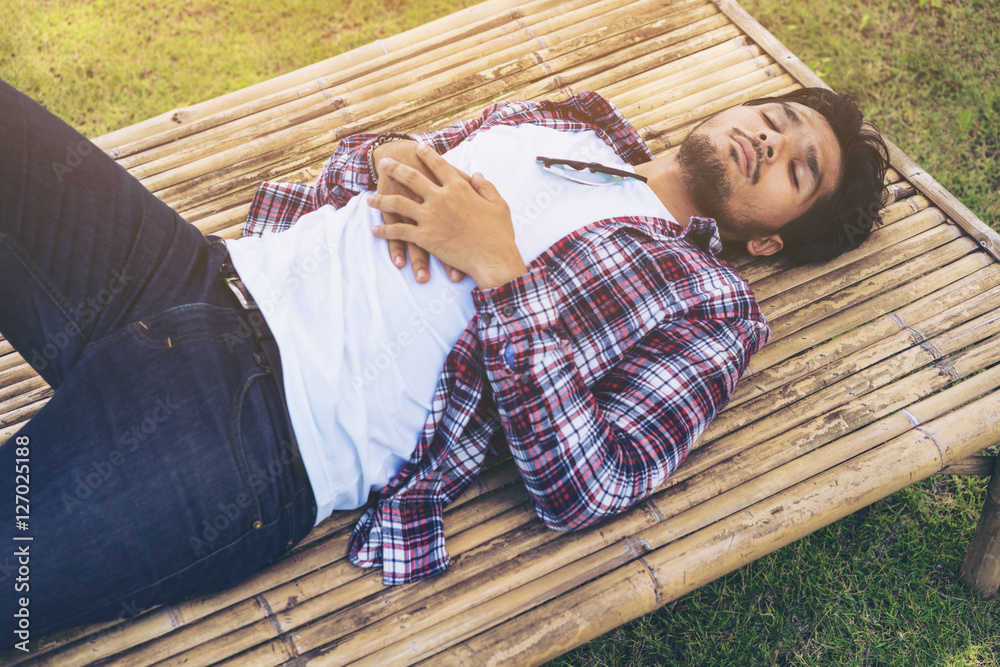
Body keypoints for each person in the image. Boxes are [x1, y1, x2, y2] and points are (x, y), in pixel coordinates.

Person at [0, 78, 888, 641]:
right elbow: (372, 165)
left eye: (797, 169)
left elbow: (594, 483)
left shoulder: (712, 308)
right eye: (775, 118)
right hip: (193, 272)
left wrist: (503, 271)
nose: (770, 140)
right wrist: (384, 156)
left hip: (257, 432)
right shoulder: (570, 119)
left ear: (771, 241)